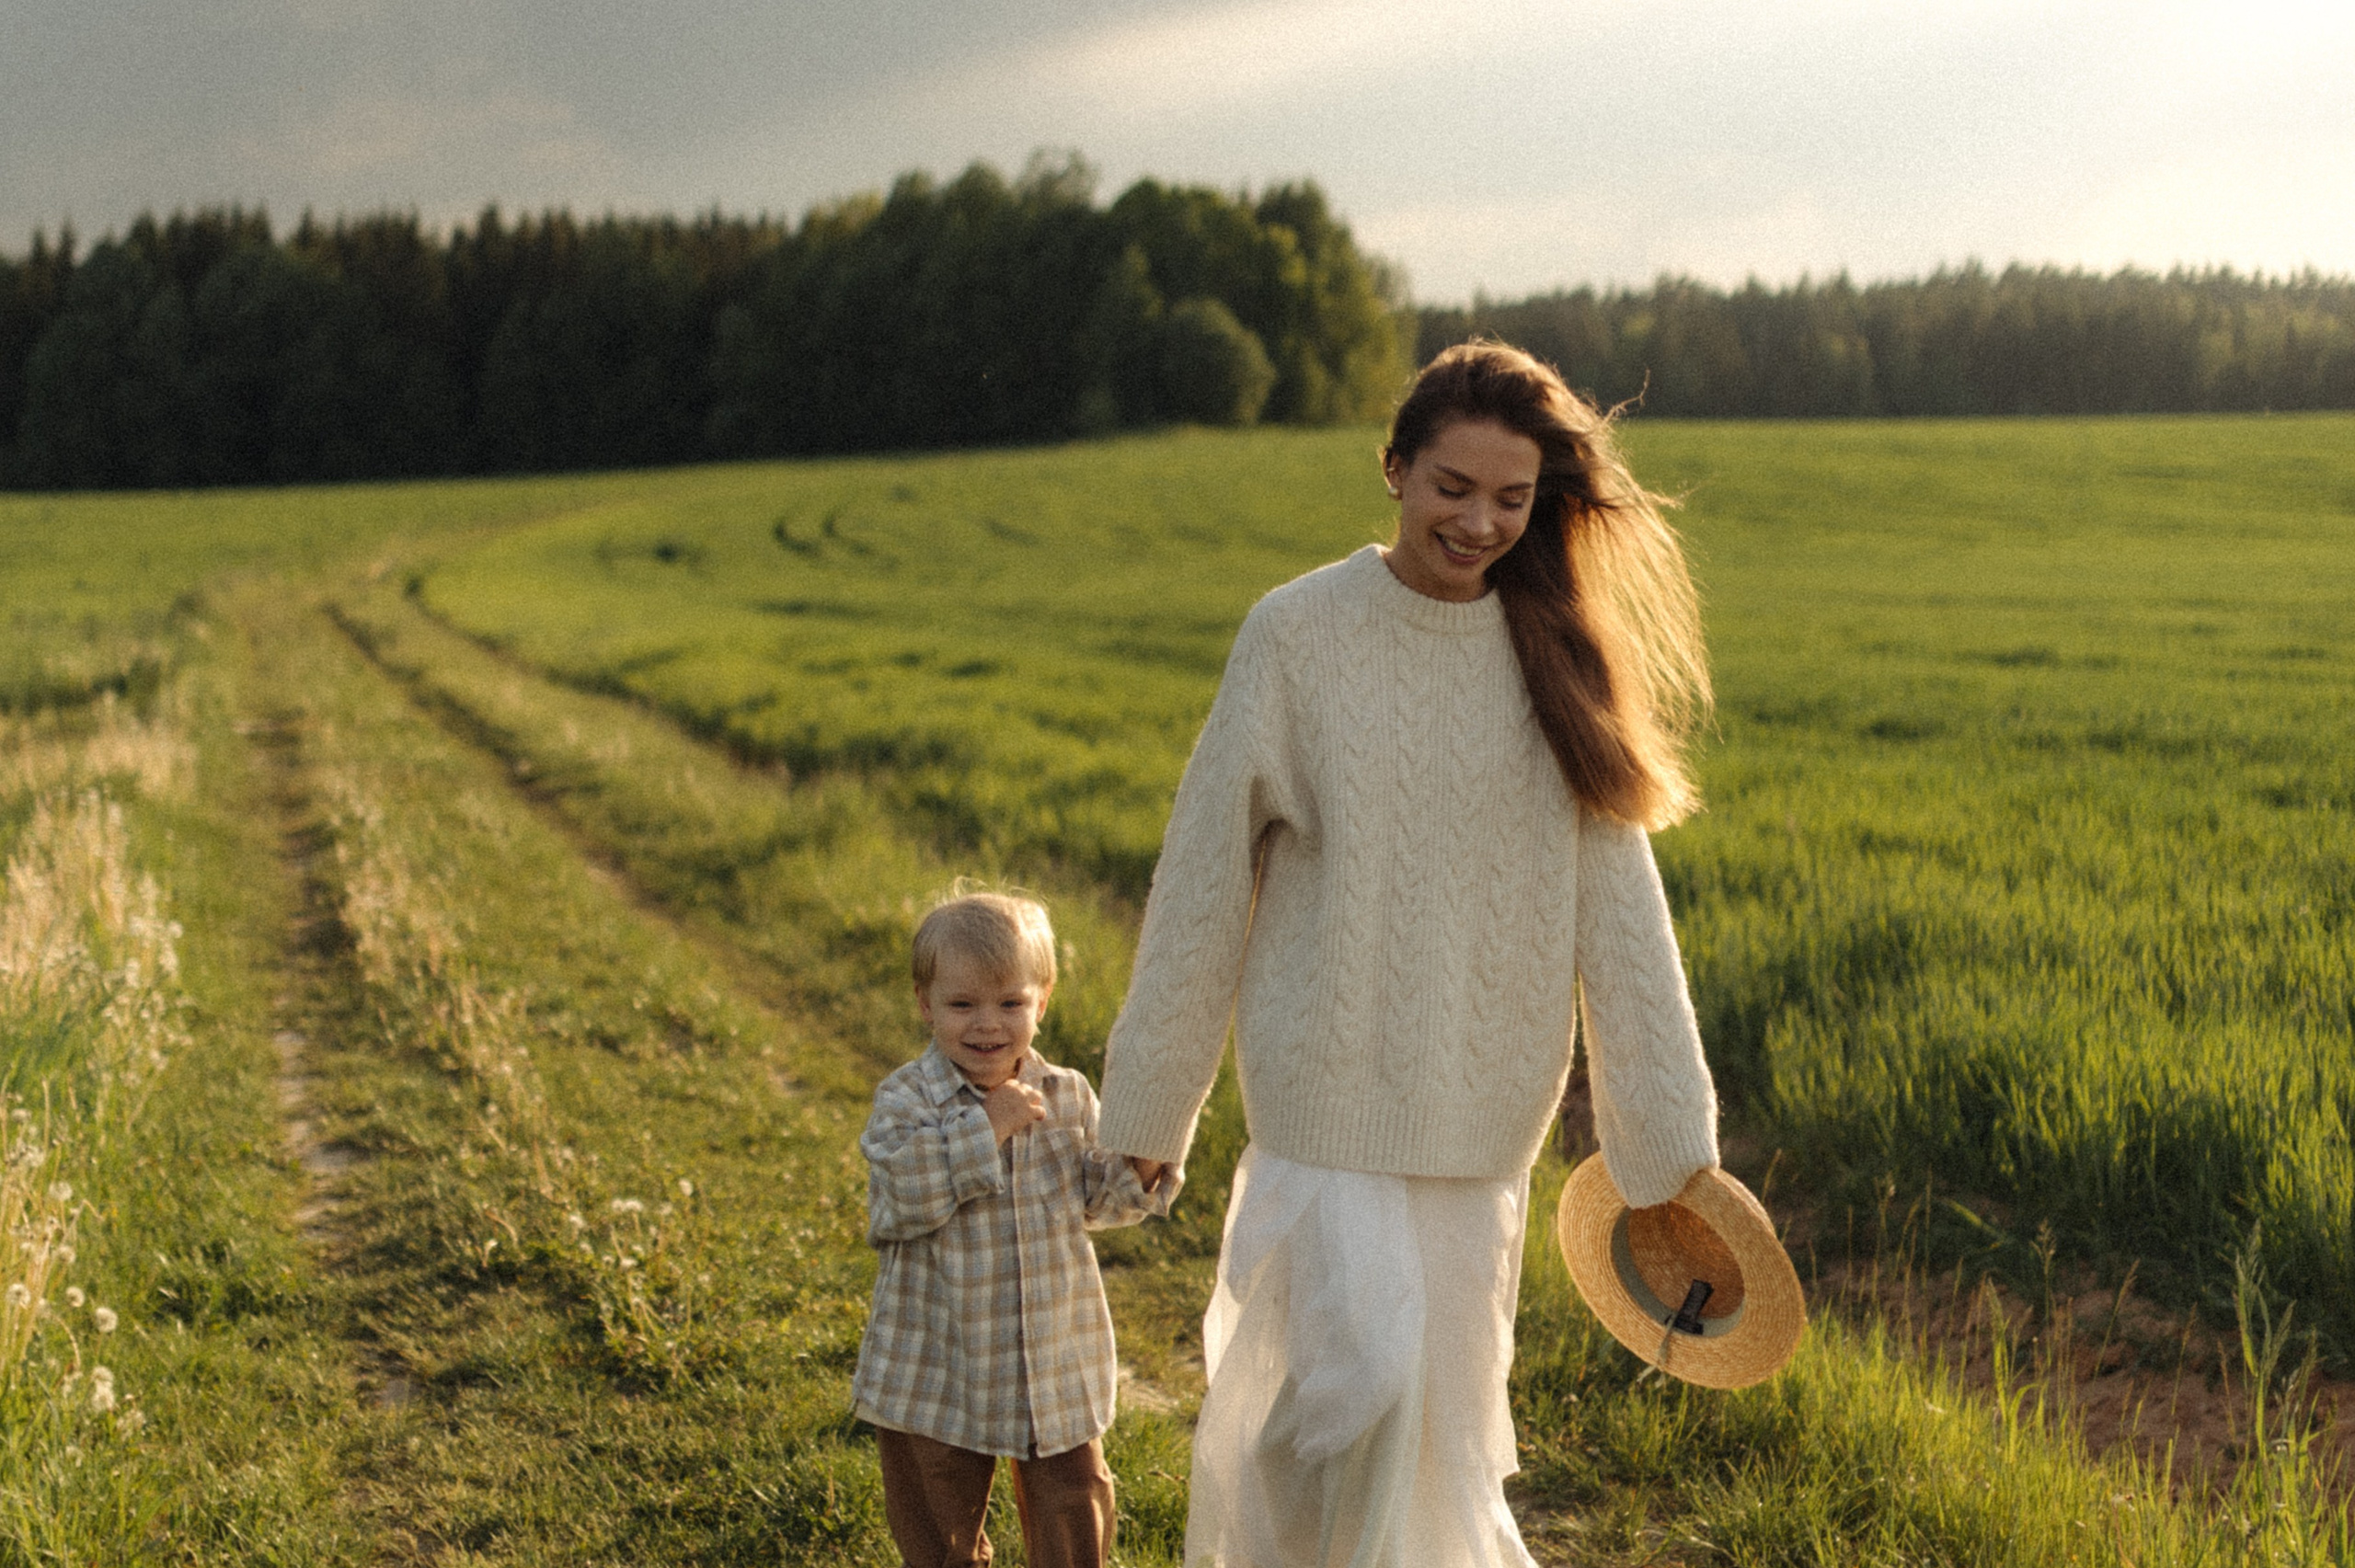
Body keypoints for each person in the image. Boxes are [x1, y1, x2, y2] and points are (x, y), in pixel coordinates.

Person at [1096, 341, 1722, 1568]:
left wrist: (1666, 1146)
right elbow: (1206, 880)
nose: (1480, 522)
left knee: (1438, 1433)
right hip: (1323, 1095)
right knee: (1347, 1400)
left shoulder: (1557, 659)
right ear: (1393, 468)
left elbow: (1624, 915)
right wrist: (1154, 1102)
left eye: (1512, 497)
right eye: (1452, 486)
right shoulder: (1296, 634)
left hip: (1482, 1119)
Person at [853, 890, 1179, 1568]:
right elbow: (899, 1199)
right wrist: (986, 1127)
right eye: (962, 1004)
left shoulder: (1067, 1093)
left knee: (1073, 1494)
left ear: (1042, 1001)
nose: (987, 1024)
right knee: (938, 1506)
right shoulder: (908, 1098)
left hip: (1050, 1350)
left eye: (1010, 1003)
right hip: (940, 1353)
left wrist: (1142, 1164)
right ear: (925, 1004)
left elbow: (1099, 1199)